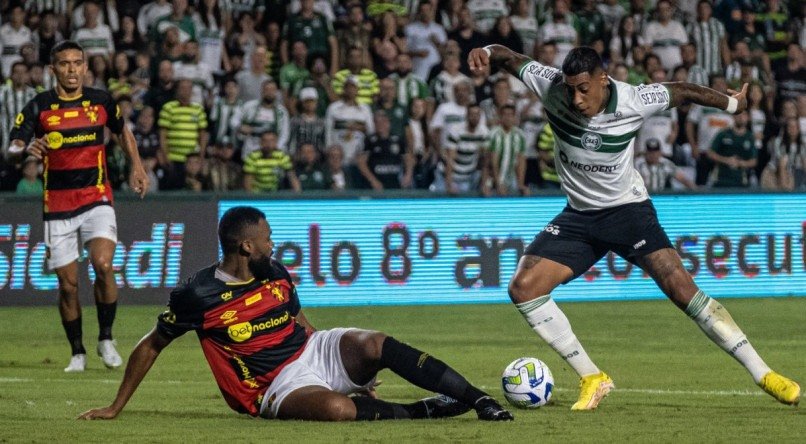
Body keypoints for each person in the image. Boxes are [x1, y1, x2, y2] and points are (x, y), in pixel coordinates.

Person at [467, 44, 800, 410]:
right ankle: (592, 376)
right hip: (579, 216)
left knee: (681, 289)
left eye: (584, 89)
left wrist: (733, 104)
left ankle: (763, 373)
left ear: (602, 81)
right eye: (570, 89)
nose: (576, 99)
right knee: (524, 287)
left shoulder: (634, 99)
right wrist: (484, 50)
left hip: (628, 212)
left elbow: (684, 90)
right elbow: (508, 57)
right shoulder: (549, 84)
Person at [78, 206, 514, 422]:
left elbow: (301, 322)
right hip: (270, 385)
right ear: (246, 247)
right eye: (266, 238)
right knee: (340, 411)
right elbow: (152, 344)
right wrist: (116, 407)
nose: (273, 243)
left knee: (373, 343)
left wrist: (339, 364)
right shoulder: (198, 295)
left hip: (311, 350)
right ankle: (425, 411)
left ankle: (479, 400)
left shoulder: (274, 270)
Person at [8, 41, 149, 373]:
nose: (71, 69)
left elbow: (122, 132)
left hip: (97, 198)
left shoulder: (100, 101)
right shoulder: (40, 106)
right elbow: (13, 145)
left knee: (103, 264)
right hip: (57, 205)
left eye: (77, 63)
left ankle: (106, 338)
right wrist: (27, 147)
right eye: (64, 64)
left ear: (85, 67)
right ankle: (77, 352)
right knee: (68, 285)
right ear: (53, 69)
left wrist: (137, 166)